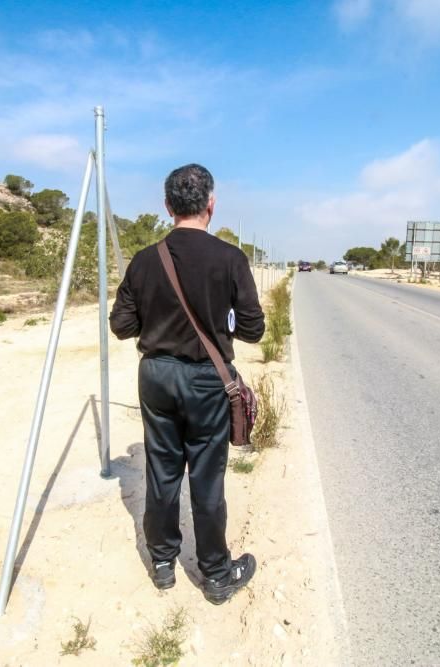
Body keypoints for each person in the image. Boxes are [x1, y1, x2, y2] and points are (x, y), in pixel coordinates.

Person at [109, 164, 265, 604]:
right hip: (206, 381)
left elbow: (121, 326)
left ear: (167, 207)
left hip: (156, 376)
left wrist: (154, 316)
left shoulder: (144, 260)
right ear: (211, 205)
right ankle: (215, 573)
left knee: (162, 469)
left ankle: (162, 561)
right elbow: (253, 330)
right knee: (207, 477)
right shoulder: (230, 259)